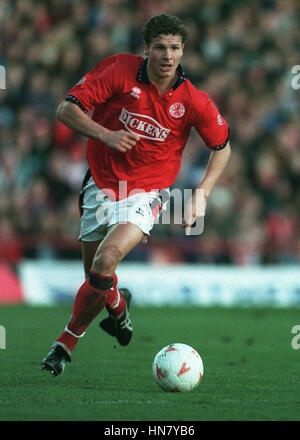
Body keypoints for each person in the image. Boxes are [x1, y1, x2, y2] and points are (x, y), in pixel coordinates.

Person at [41, 14, 231, 376]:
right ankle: (118, 304)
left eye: (175, 48)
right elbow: (67, 109)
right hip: (100, 182)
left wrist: (202, 193)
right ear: (146, 49)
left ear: (183, 51)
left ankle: (63, 346)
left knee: (106, 258)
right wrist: (104, 134)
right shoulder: (117, 70)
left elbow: (222, 147)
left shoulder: (193, 100)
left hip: (146, 191)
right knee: (96, 280)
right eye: (160, 47)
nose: (167, 55)